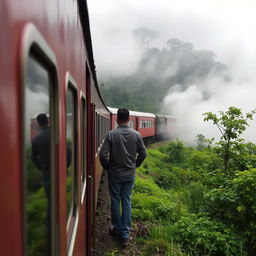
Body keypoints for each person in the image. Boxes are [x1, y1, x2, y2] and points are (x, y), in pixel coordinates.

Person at [99, 108, 147, 247]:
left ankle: (115, 228)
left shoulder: (111, 135)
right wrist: (135, 165)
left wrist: (107, 167)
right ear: (129, 119)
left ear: (117, 119)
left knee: (115, 200)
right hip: (129, 174)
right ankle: (125, 234)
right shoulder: (137, 135)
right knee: (126, 200)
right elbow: (143, 154)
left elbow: (103, 155)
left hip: (114, 174)